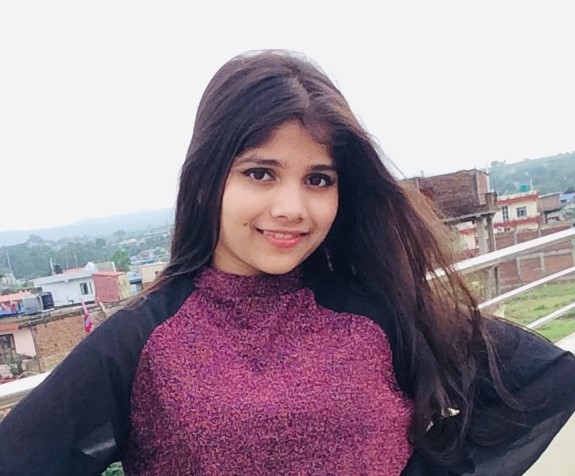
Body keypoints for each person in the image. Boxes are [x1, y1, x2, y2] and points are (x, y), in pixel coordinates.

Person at [0, 49, 574, 476]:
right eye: (260, 173)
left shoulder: (380, 308)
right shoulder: (141, 340)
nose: (292, 208)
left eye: (318, 179)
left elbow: (543, 379)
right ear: (206, 181)